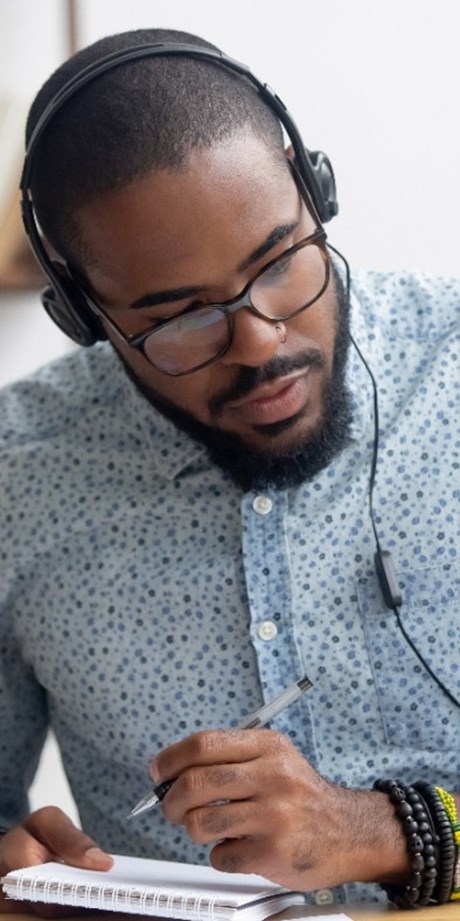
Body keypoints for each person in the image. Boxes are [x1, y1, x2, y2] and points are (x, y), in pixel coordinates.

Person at [0, 25, 459, 912]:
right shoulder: (17, 476)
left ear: (310, 185)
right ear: (83, 310)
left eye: (280, 263)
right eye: (179, 319)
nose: (261, 344)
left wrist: (384, 831)